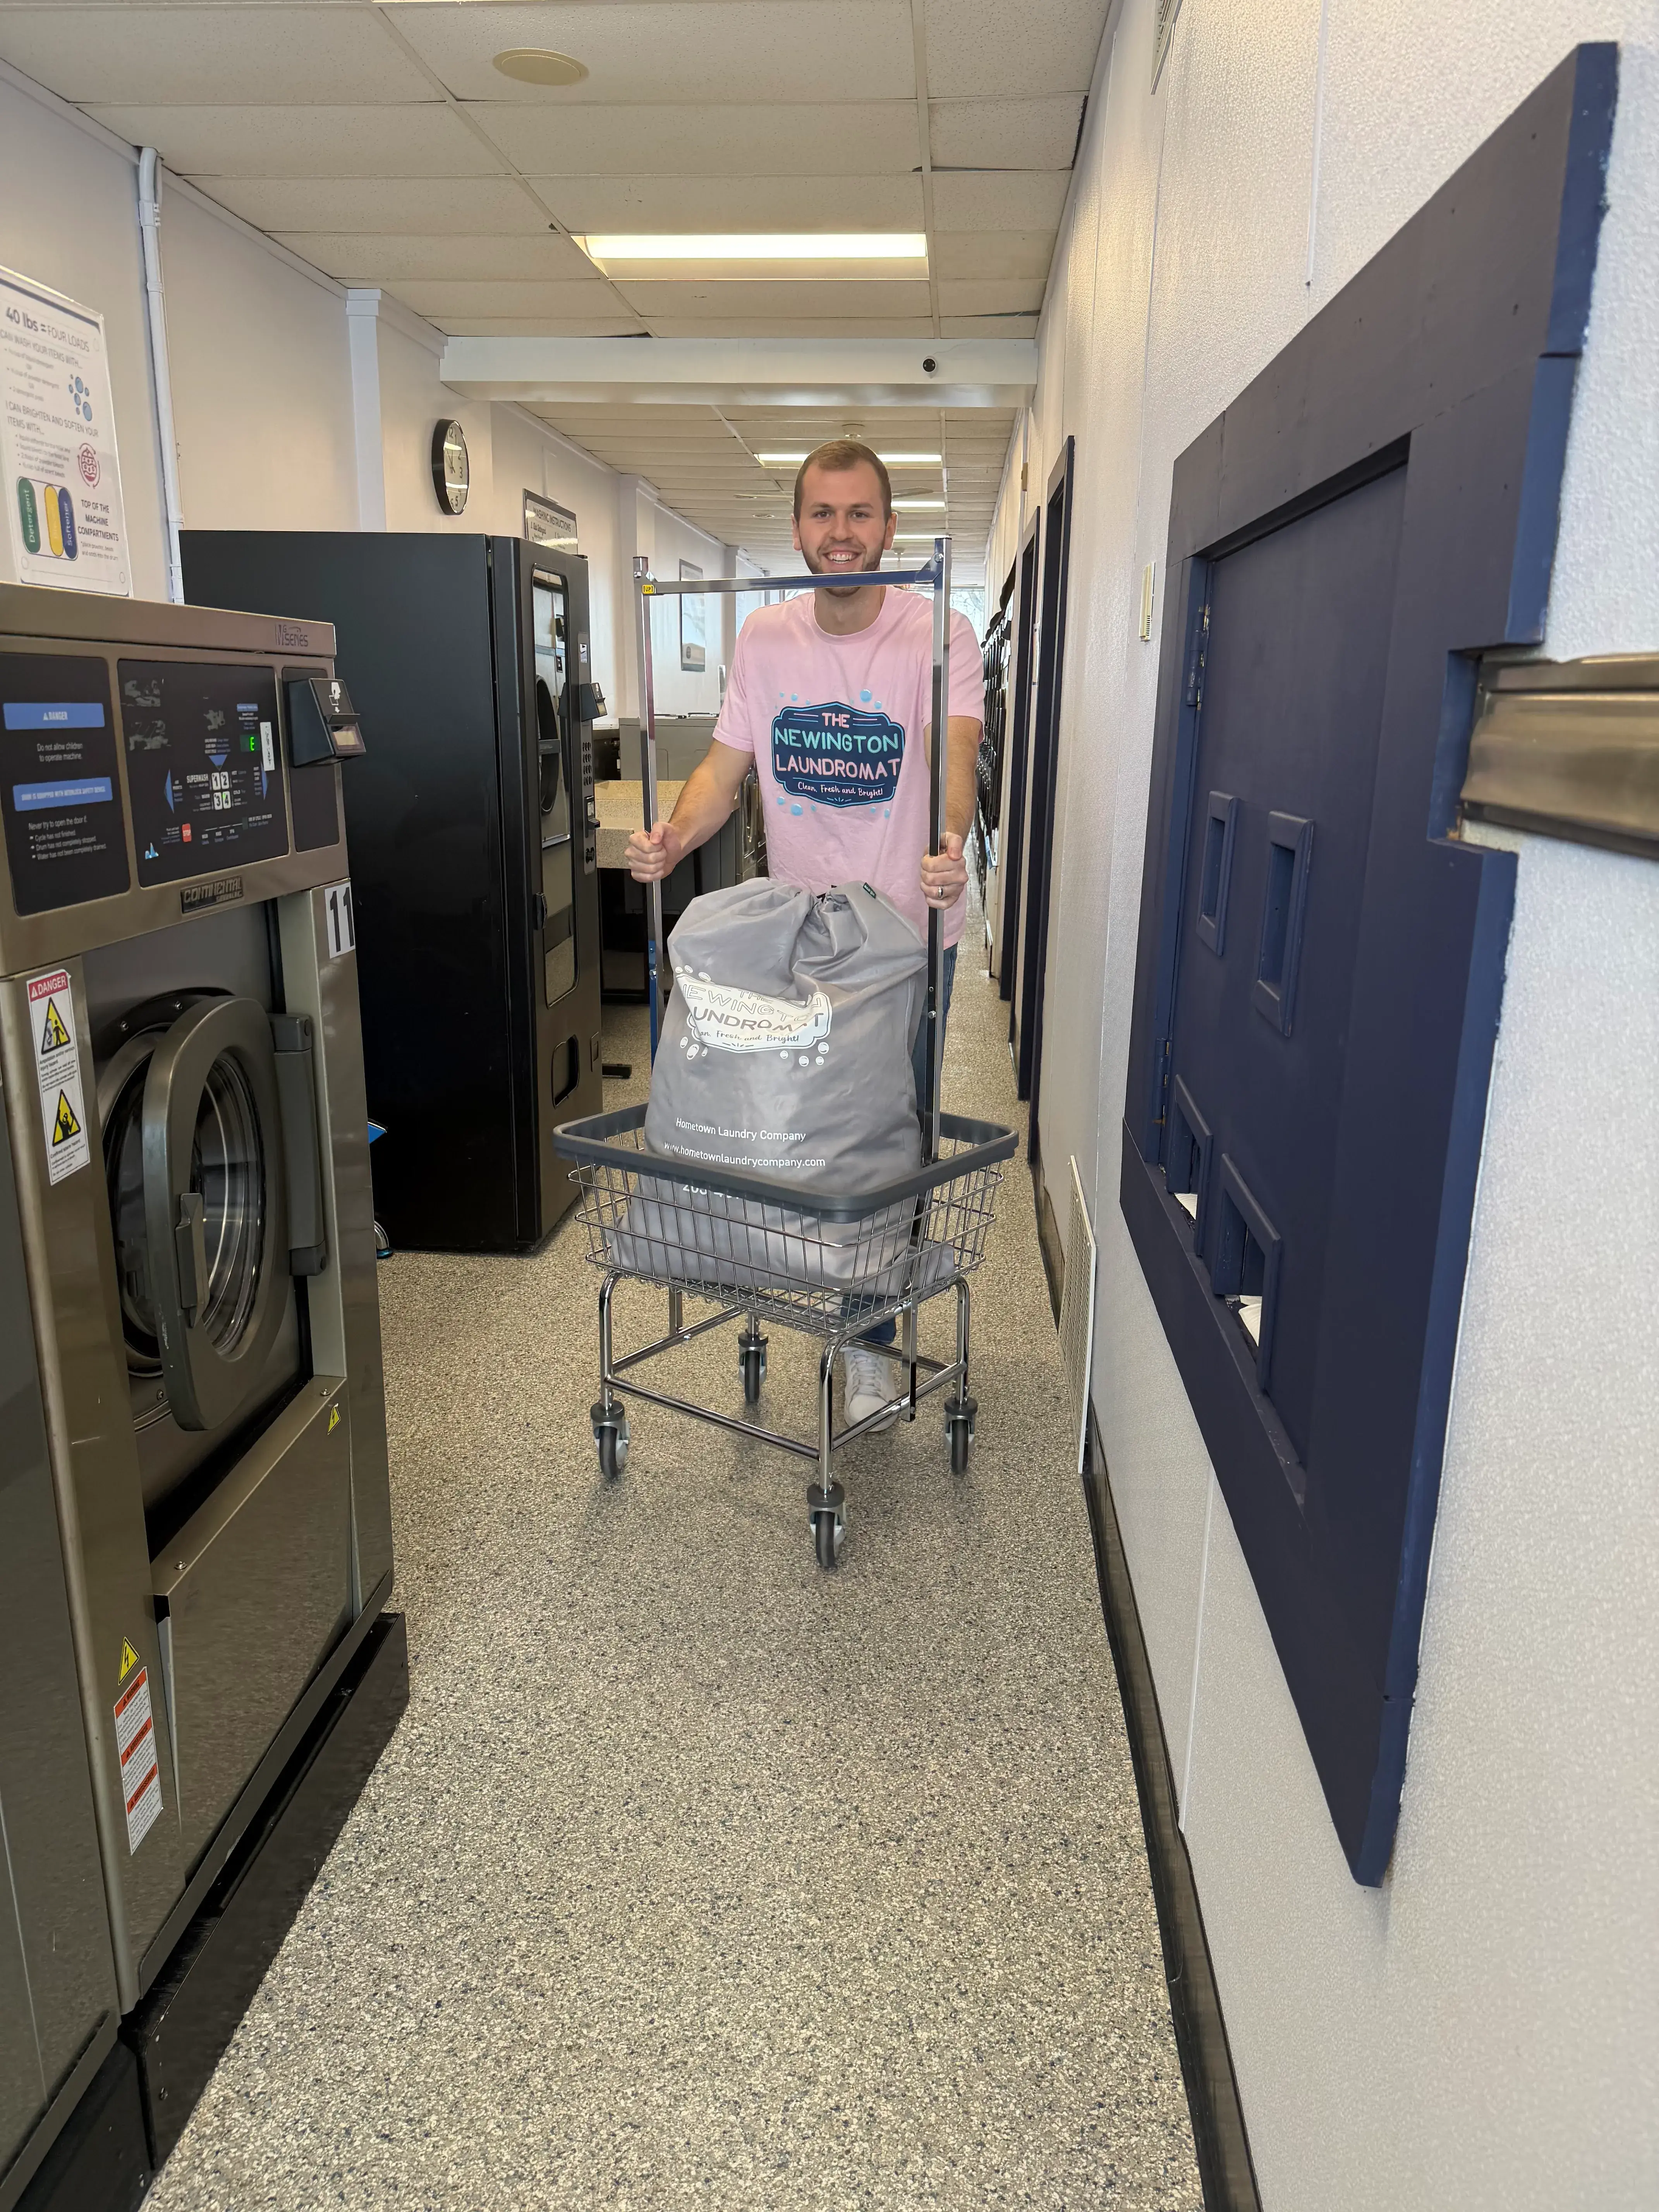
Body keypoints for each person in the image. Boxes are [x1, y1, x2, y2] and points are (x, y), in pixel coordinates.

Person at [627, 438, 983, 1427]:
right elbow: (723, 768)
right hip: (796, 944)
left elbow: (957, 752)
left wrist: (952, 839)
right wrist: (672, 835)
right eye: (822, 516)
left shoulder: (937, 632)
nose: (841, 535)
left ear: (889, 528)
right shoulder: (766, 640)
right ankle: (791, 1287)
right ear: (797, 530)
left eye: (860, 514)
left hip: (907, 943)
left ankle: (869, 1344)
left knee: (887, 1147)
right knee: (792, 1136)